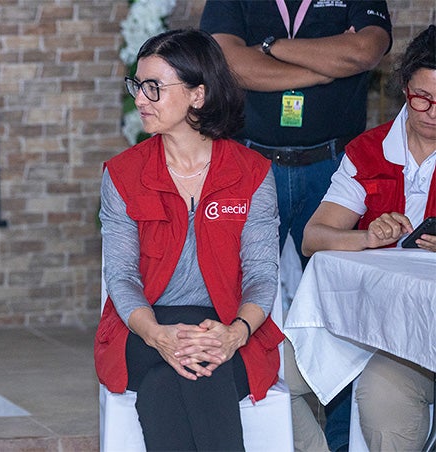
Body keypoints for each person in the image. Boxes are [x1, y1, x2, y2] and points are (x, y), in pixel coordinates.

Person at [200, 3, 393, 450]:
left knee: (344, 312)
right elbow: (228, 63)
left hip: (334, 170)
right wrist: (324, 66)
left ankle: (341, 443)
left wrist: (271, 48)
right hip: (251, 166)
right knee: (235, 297)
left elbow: (365, 51)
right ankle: (256, 434)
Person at [94, 29, 283, 451]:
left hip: (226, 328)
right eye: (137, 86)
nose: (140, 99)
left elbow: (261, 274)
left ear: (198, 95)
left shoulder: (251, 173)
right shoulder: (123, 174)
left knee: (180, 378)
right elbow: (121, 276)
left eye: (153, 88)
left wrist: (235, 333)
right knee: (193, 372)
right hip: (143, 327)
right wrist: (159, 335)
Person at [301, 24, 436, 451]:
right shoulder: (369, 150)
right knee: (259, 372)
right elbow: (313, 238)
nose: (433, 112)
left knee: (382, 394)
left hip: (423, 332)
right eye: (422, 98)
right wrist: (367, 238)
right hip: (364, 316)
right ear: (403, 88)